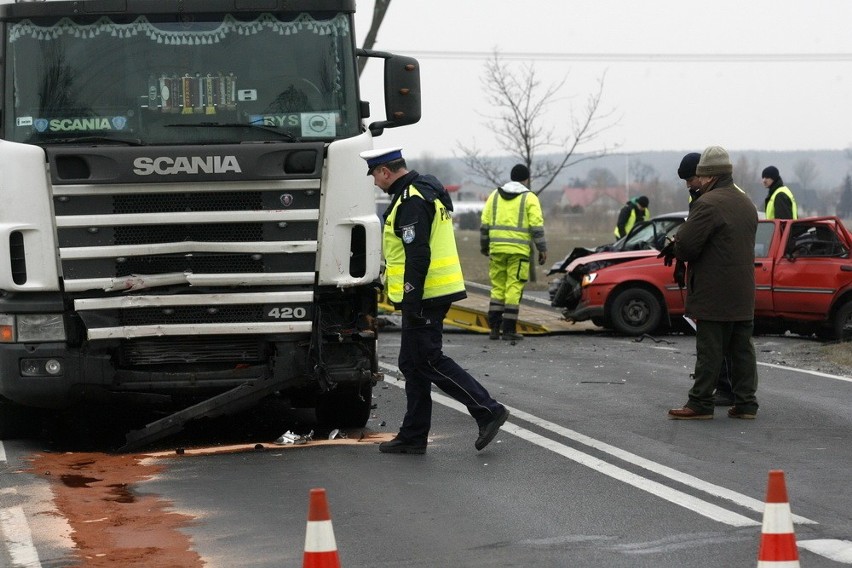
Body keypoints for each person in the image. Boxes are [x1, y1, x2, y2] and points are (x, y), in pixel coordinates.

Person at [361, 147, 510, 453]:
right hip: (427, 293)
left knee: (428, 359)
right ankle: (414, 435)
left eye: (375, 175)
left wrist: (412, 300)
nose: (375, 182)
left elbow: (418, 254)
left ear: (386, 172)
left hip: (426, 294)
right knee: (411, 364)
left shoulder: (412, 199)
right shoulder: (423, 189)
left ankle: (487, 409)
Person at [666, 146, 759, 420]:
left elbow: (686, 248)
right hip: (743, 290)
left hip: (714, 290)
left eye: (701, 176)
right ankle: (746, 405)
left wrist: (674, 244)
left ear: (709, 176)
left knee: (710, 349)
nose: (698, 182)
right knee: (742, 350)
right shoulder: (746, 202)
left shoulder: (707, 204)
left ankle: (700, 403)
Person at [675, 152, 734, 406]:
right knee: (714, 337)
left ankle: (723, 389)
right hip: (709, 273)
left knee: (721, 338)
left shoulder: (722, 197)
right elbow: (693, 232)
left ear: (704, 174)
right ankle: (727, 389)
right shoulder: (700, 196)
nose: (688, 184)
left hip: (723, 275)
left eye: (691, 178)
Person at [479, 164, 547, 341]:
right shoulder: (529, 198)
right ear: (526, 179)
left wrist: (485, 246)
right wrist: (542, 249)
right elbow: (536, 227)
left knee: (498, 288)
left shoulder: (494, 196)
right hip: (518, 252)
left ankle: (494, 329)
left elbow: (484, 224)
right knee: (513, 288)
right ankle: (508, 330)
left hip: (497, 250)